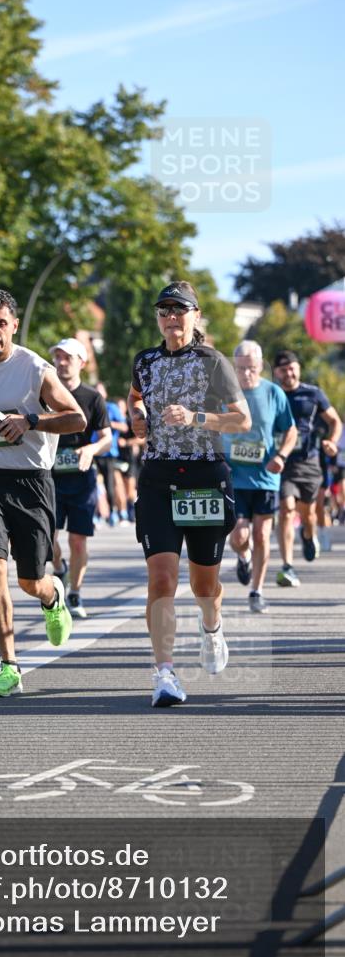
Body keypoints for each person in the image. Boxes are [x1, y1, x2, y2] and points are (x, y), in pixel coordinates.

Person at [0, 287, 86, 697]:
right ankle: (9, 665)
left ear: (15, 326)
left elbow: (76, 419)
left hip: (32, 481)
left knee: (29, 580)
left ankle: (52, 594)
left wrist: (31, 421)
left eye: (1, 324)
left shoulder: (35, 369)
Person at [127, 281, 251, 708]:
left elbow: (242, 421)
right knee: (161, 578)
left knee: (204, 585)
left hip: (205, 477)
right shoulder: (144, 360)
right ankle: (164, 673)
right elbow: (136, 396)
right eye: (164, 309)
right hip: (159, 477)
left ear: (195, 315)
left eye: (179, 309)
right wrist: (138, 416)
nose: (171, 316)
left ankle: (212, 627)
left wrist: (196, 417)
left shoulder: (213, 362)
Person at [226, 341, 297, 613]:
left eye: (252, 369)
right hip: (234, 477)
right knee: (239, 537)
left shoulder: (273, 393)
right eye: (241, 369)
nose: (246, 374)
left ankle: (257, 590)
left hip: (266, 477)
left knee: (262, 534)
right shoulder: (223, 394)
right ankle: (243, 556)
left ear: (261, 365)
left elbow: (290, 431)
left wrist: (281, 456)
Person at [49, 339, 111, 619]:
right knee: (48, 538)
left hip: (82, 479)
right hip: (50, 479)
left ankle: (74, 593)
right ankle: (59, 568)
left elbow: (107, 438)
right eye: (58, 357)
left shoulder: (92, 397)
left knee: (78, 541)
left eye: (68, 358)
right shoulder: (44, 394)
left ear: (81, 363)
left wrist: (91, 448)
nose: (62, 362)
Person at [272, 350, 342, 587]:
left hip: (309, 462)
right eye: (283, 369)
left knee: (308, 514)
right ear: (276, 372)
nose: (288, 373)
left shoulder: (313, 394)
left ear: (298, 369)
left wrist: (332, 441)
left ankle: (309, 535)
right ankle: (287, 565)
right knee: (285, 510)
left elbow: (335, 421)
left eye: (292, 368)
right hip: (283, 462)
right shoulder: (273, 394)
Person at [93, 382, 126, 526]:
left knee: (109, 484)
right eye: (96, 392)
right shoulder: (91, 406)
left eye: (101, 391)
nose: (98, 394)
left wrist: (106, 423)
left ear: (105, 393)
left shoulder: (111, 408)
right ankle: (96, 515)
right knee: (92, 484)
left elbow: (124, 426)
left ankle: (113, 512)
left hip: (108, 452)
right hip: (93, 451)